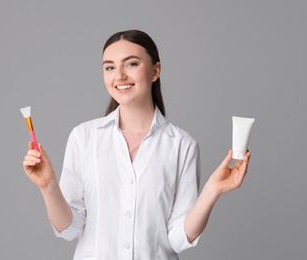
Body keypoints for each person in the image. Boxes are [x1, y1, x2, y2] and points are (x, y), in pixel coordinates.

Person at [22, 30, 251, 260]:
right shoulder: (84, 138)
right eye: (109, 67)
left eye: (131, 64)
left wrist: (212, 191)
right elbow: (70, 229)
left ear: (155, 71)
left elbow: (178, 239)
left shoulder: (182, 145)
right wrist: (48, 186)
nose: (119, 76)